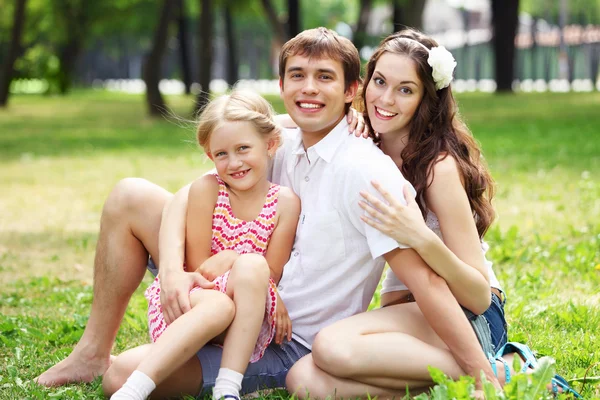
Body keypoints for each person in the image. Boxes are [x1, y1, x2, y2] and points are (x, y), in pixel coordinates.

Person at [37, 27, 499, 397]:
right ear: (281, 86)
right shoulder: (282, 141)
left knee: (123, 379)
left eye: (325, 78)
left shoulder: (373, 173)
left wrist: (484, 377)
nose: (309, 89)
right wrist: (174, 272)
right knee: (130, 195)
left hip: (281, 334)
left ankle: (489, 369)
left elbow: (430, 284)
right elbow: (198, 187)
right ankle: (92, 351)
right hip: (235, 285)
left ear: (348, 90)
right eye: (297, 76)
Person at [284, 28, 580, 399]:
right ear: (363, 85)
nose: (385, 99)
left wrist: (419, 235)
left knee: (330, 347)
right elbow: (281, 124)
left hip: (469, 315)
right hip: (412, 312)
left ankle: (498, 373)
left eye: (405, 89)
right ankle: (446, 385)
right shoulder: (363, 143)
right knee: (304, 381)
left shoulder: (437, 168)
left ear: (426, 98)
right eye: (379, 82)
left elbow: (478, 294)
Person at [106, 90, 301, 400]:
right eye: (222, 154)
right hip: (195, 301)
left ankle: (228, 390)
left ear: (271, 144)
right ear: (211, 157)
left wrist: (235, 257)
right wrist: (228, 258)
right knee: (220, 302)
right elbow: (201, 269)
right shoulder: (208, 190)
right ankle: (134, 389)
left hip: (248, 312)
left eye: (243, 149)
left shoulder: (285, 204)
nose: (234, 162)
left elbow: (271, 271)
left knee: (253, 265)